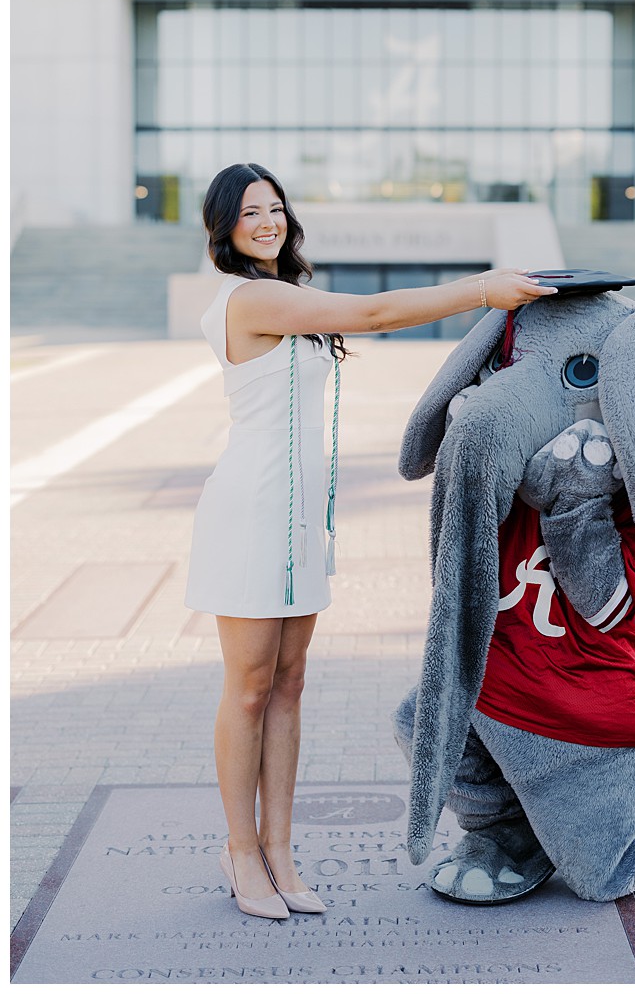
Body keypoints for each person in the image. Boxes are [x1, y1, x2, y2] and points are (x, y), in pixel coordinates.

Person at [187, 161, 553, 918]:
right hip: (250, 514)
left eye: (276, 207)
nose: (267, 221)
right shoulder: (252, 296)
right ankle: (239, 850)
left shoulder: (283, 292)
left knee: (289, 686)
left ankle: (282, 853)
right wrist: (480, 289)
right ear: (222, 226)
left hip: (298, 521)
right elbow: (376, 313)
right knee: (249, 688)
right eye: (250, 211)